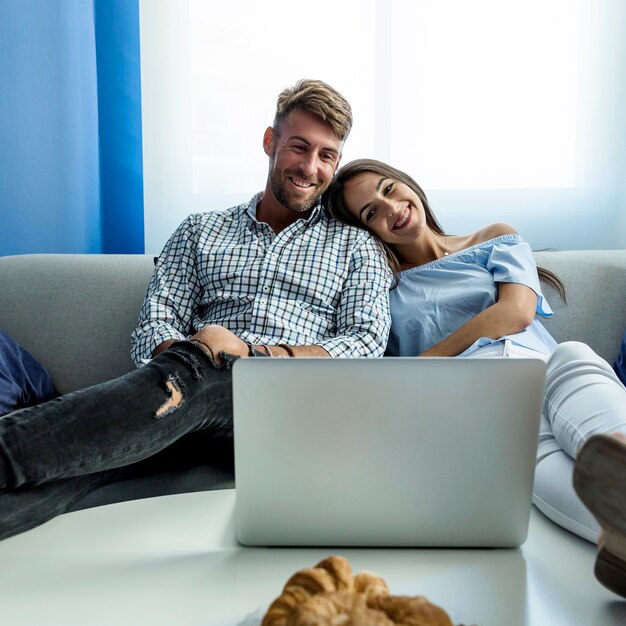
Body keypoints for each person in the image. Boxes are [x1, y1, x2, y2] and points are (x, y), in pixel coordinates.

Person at [0, 81, 392, 541]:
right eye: (299, 147)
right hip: (182, 399)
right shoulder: (200, 230)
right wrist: (193, 357)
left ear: (336, 163)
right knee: (70, 478)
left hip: (286, 409)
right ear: (270, 142)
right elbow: (155, 322)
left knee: (214, 364)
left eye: (326, 155)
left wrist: (251, 356)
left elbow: (365, 341)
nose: (310, 167)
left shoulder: (356, 245)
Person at [323, 157, 626, 596]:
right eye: (371, 212)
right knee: (531, 471)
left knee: (574, 356)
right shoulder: (382, 288)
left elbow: (517, 313)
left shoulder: (494, 237)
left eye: (388, 189)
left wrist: (424, 364)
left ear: (408, 183)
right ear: (368, 232)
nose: (390, 208)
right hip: (482, 413)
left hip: (547, 373)